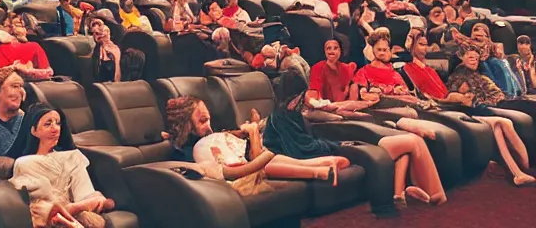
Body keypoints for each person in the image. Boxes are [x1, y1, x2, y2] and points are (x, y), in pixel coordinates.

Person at [270, 72, 446, 206]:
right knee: (412, 142)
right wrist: (334, 145)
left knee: (409, 145)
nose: (301, 99)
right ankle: (434, 194)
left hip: (335, 147)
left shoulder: (293, 115)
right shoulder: (279, 118)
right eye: (298, 96)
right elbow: (301, 150)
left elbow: (308, 143)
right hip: (333, 151)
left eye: (300, 95)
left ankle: (401, 196)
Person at [165, 96, 343, 187]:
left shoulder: (210, 138)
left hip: (258, 152)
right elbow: (235, 168)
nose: (209, 126)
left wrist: (251, 130)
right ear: (185, 125)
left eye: (208, 119)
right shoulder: (188, 154)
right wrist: (253, 132)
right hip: (254, 163)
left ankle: (330, 155)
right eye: (202, 121)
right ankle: (324, 163)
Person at [6, 103, 115, 228]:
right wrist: (77, 207)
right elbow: (41, 207)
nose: (55, 128)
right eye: (48, 124)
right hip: (51, 220)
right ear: (34, 131)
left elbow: (84, 192)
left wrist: (89, 203)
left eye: (58, 123)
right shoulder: (25, 163)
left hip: (79, 213)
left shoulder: (72, 156)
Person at [446, 44, 536, 186]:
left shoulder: (479, 75)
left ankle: (525, 168)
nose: (474, 60)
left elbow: (497, 92)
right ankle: (519, 172)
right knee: (503, 123)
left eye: (476, 58)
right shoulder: (457, 78)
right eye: (470, 57)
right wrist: (464, 97)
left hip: (495, 102)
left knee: (525, 108)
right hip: (480, 109)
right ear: (461, 58)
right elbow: (453, 97)